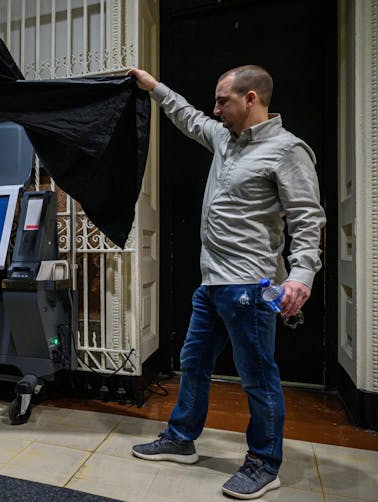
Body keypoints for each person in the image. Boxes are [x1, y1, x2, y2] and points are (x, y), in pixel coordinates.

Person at [126, 66, 325, 499]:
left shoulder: (286, 150)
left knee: (257, 378)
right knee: (193, 363)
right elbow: (188, 117)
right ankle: (181, 439)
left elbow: (308, 219)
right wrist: (153, 87)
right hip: (212, 284)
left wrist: (301, 276)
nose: (215, 110)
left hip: (251, 289)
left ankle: (264, 463)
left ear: (251, 99)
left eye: (223, 101)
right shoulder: (224, 138)